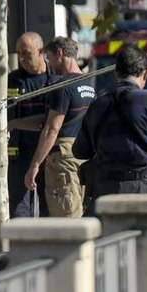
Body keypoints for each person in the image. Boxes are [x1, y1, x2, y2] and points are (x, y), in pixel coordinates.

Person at [73, 45, 147, 208]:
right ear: (146, 73)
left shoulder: (97, 105)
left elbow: (80, 151)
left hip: (104, 193)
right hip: (142, 190)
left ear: (116, 73)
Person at [22, 36, 93, 217]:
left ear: (59, 53)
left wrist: (34, 166)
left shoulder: (62, 87)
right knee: (80, 215)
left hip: (63, 161)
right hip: (83, 158)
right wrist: (15, 124)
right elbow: (50, 119)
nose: (49, 63)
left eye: (50, 58)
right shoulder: (88, 85)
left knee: (66, 219)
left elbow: (51, 129)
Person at [7, 32, 51, 217]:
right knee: (19, 214)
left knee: (49, 212)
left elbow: (48, 122)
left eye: (26, 53)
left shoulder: (55, 78)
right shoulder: (13, 79)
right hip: (19, 157)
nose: (22, 58)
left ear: (40, 51)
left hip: (48, 156)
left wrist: (17, 123)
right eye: (18, 53)